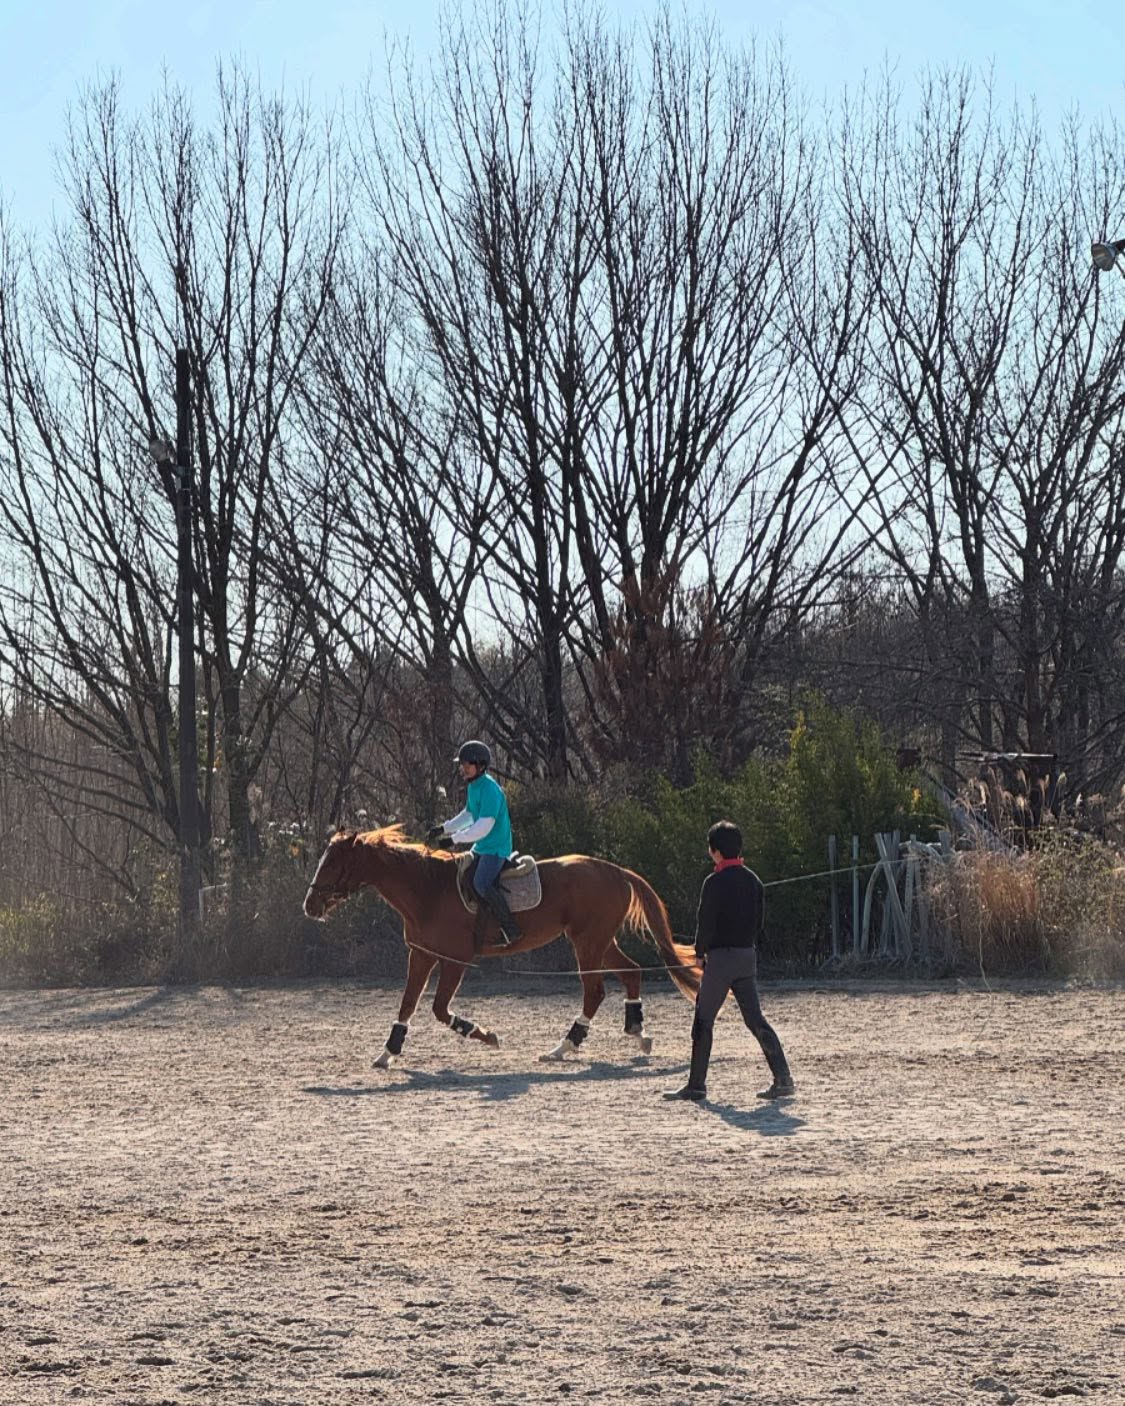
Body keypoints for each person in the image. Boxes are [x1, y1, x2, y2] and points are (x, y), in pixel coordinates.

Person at [663, 820, 794, 1103]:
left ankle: (696, 1086)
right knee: (755, 1019)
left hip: (721, 961)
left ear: (716, 851)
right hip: (747, 957)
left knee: (703, 1020)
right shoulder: (754, 880)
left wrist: (700, 952)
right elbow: (759, 923)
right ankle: (783, 1078)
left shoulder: (714, 882)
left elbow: (705, 921)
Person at [427, 740, 521, 945]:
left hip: (496, 848)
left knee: (480, 882)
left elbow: (482, 828)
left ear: (480, 765)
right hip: (482, 847)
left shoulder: (490, 790)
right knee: (464, 878)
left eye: (467, 764)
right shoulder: (474, 786)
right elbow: (469, 815)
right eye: (462, 764)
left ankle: (510, 929)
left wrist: (453, 839)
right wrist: (444, 828)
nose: (463, 768)